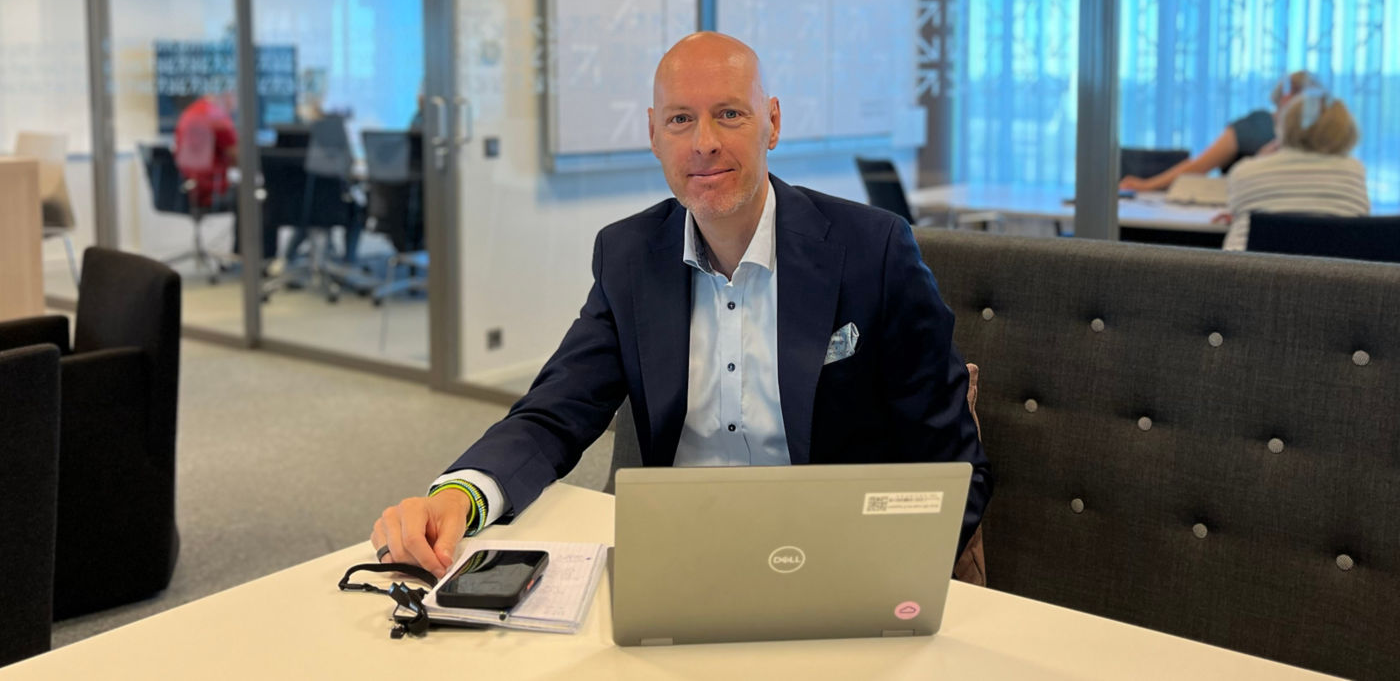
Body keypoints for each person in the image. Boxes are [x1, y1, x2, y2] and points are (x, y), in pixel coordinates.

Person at [371, 32, 991, 580]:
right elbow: (553, 412)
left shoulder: (872, 250)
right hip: (682, 560)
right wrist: (462, 493)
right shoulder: (629, 256)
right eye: (679, 120)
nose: (704, 144)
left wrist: (896, 579)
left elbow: (950, 459)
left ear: (772, 122)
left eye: (729, 114)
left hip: (836, 558)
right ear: (652, 134)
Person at [1120, 71, 1322, 192]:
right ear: (1286, 98)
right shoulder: (1255, 126)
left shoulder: (1318, 135)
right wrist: (1146, 186)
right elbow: (1199, 166)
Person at [1219, 88, 1369, 250]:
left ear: (1284, 124)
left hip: (1247, 271)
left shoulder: (1244, 171)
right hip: (1333, 272)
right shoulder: (1354, 171)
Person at [173, 91, 238, 210]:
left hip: (187, 186)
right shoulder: (217, 117)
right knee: (252, 198)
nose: (236, 104)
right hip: (210, 189)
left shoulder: (191, 111)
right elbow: (239, 157)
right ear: (227, 95)